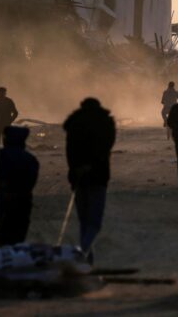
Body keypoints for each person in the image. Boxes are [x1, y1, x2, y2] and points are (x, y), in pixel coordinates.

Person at [64, 98, 116, 261]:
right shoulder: (105, 123)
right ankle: (83, 253)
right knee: (94, 221)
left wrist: (77, 167)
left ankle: (87, 256)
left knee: (84, 219)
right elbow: (105, 148)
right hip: (98, 176)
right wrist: (91, 165)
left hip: (78, 176)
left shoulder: (74, 124)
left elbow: (70, 151)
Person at [0, 126, 39, 246]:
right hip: (23, 198)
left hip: (5, 196)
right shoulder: (31, 159)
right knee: (20, 228)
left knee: (3, 228)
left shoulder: (0, 155)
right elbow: (32, 181)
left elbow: (0, 175)